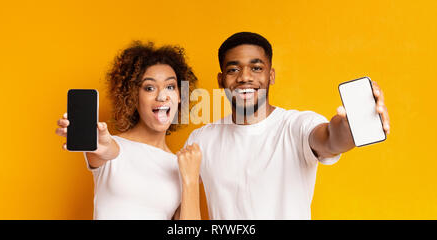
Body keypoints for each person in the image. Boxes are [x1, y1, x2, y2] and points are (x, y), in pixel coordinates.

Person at [185, 32, 391, 219]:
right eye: (233, 69)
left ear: (271, 75)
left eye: (256, 68)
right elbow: (171, 197)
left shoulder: (296, 126)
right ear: (221, 80)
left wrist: (351, 124)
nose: (245, 77)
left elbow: (331, 138)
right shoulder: (201, 140)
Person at [56, 41, 202, 220]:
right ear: (134, 96)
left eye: (170, 87)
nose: (162, 96)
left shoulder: (180, 166)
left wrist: (191, 180)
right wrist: (100, 143)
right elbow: (107, 149)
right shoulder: (113, 148)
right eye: (149, 88)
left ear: (180, 96)